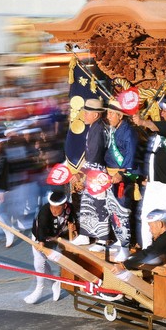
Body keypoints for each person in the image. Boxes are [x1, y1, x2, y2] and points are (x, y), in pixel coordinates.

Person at [132, 97, 166, 248]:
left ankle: (163, 251)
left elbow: (153, 125)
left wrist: (142, 122)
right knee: (145, 215)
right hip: (154, 181)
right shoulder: (160, 131)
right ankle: (147, 249)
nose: (161, 113)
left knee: (163, 220)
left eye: (165, 111)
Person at [24, 191, 76, 304]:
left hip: (55, 237)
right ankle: (40, 289)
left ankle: (54, 283)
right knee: (39, 261)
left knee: (44, 261)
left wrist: (73, 226)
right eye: (52, 207)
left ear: (64, 205)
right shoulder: (45, 211)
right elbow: (41, 228)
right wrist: (41, 242)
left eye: (57, 208)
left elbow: (73, 220)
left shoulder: (70, 208)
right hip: (39, 237)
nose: (53, 210)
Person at [70, 98, 109, 249]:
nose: (84, 115)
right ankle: (85, 234)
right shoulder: (94, 127)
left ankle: (102, 239)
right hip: (92, 171)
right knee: (87, 203)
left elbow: (95, 155)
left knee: (99, 205)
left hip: (98, 172)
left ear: (96, 115)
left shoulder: (98, 130)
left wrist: (81, 172)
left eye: (87, 113)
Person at [104, 100, 137, 260]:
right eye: (108, 113)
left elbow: (130, 155)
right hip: (111, 175)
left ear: (120, 115)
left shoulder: (128, 132)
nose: (108, 116)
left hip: (122, 177)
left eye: (111, 113)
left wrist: (121, 173)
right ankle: (119, 240)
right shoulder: (114, 130)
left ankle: (125, 246)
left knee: (122, 210)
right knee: (112, 209)